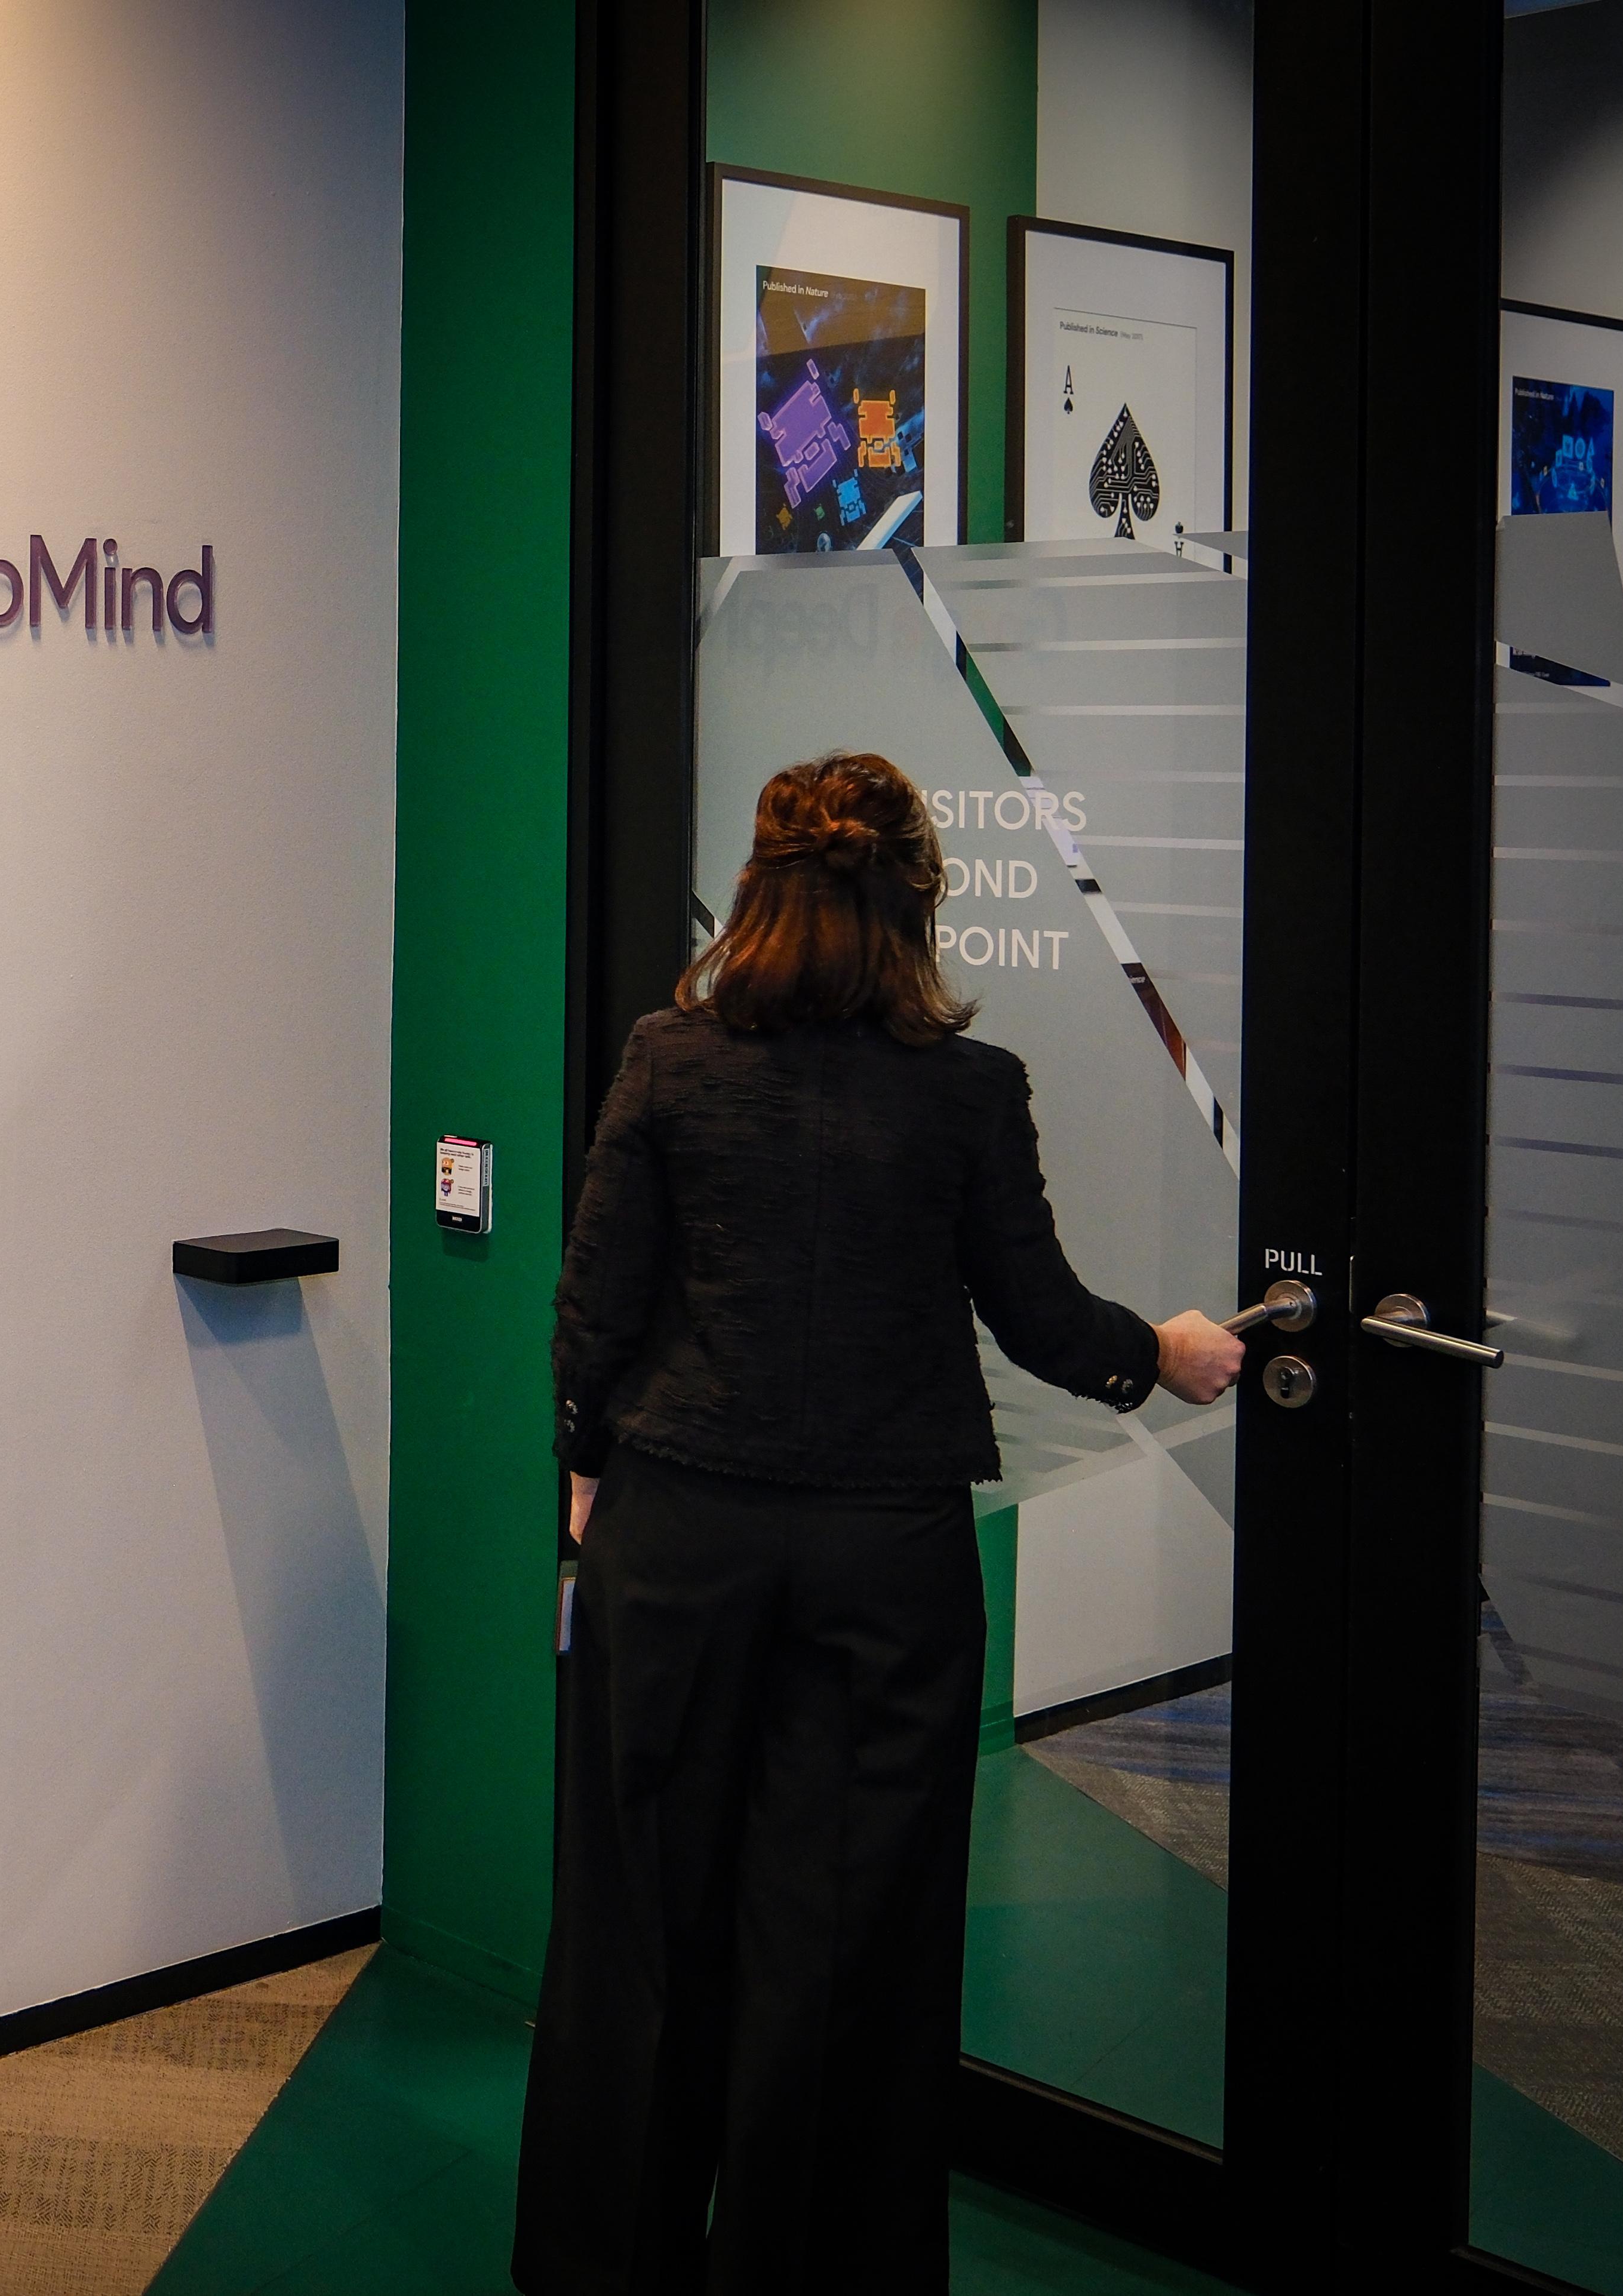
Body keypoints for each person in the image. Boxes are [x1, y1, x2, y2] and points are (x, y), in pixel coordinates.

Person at [511, 751, 1247, 2294]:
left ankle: (610, 2264)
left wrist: (585, 1472)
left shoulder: (669, 1058)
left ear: (759, 890)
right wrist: (1162, 1353)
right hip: (885, 1571)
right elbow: (1040, 1315)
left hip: (678, 1536)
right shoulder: (969, 1090)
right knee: (847, 1950)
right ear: (922, 898)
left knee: (643, 1923)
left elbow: (595, 1308)